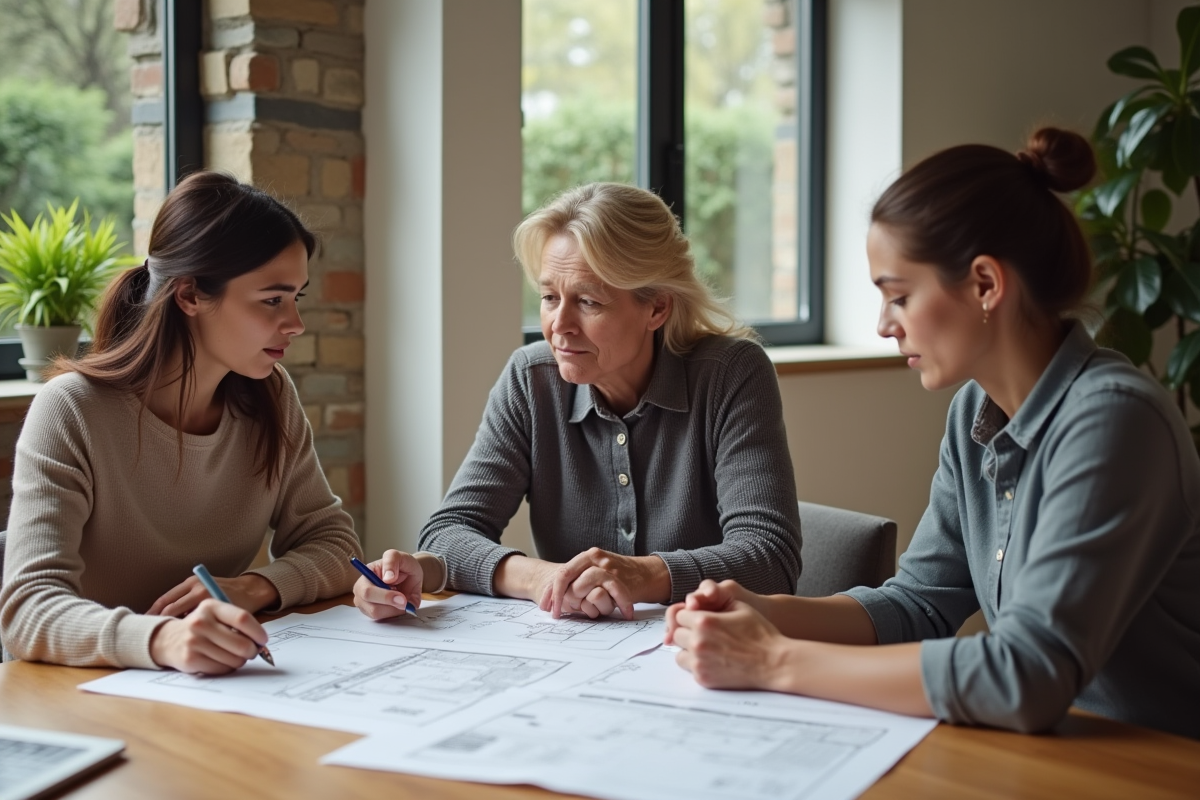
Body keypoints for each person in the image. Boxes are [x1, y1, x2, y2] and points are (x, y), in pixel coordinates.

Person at [665, 128, 1200, 740]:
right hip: (1046, 757)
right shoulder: (976, 407)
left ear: (985, 285)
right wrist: (770, 613)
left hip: (1161, 766)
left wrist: (774, 660)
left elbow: (1025, 676)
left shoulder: (1115, 421)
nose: (883, 325)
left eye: (899, 296)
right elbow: (921, 602)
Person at [353, 183, 802, 622]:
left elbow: (769, 559)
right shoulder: (531, 379)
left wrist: (641, 574)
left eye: (588, 301)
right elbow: (448, 534)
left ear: (657, 308)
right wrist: (544, 580)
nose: (558, 326)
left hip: (703, 655)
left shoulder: (732, 374)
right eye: (549, 297)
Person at [0, 171, 363, 674]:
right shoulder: (71, 410)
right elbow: (26, 611)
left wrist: (257, 586)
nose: (296, 323)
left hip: (210, 687)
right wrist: (162, 640)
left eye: (296, 298)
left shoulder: (270, 397)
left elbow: (336, 544)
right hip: (85, 693)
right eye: (272, 299)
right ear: (189, 295)